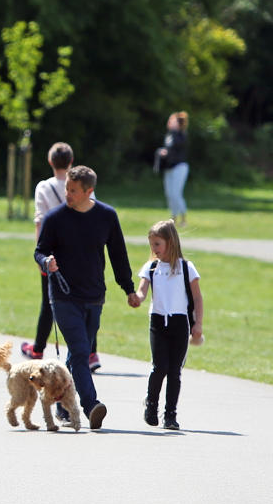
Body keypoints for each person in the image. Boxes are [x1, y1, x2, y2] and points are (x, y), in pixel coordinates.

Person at [34, 165, 140, 429]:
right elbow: (40, 250)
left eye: (73, 190)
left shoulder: (106, 216)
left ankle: (61, 404)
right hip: (63, 296)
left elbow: (118, 254)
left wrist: (128, 288)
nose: (67, 194)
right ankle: (91, 405)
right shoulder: (55, 218)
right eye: (66, 188)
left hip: (94, 296)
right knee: (82, 352)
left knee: (75, 356)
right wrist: (46, 261)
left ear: (88, 191)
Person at [21, 142, 101, 370]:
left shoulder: (44, 187)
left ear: (50, 161)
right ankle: (91, 353)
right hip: (82, 252)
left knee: (49, 301)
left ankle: (37, 348)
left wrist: (40, 252)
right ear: (71, 161)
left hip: (54, 252)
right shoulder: (84, 183)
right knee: (86, 301)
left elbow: (40, 221)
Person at [131, 220, 204, 430]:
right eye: (152, 244)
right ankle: (151, 405)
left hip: (180, 323)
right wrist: (136, 298)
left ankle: (170, 415)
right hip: (158, 321)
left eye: (157, 244)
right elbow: (142, 292)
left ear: (170, 243)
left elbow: (197, 298)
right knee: (159, 366)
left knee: (175, 370)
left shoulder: (186, 267)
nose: (154, 249)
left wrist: (197, 324)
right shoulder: (151, 267)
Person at [156, 111, 190, 225]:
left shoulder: (180, 134)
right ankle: (174, 218)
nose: (169, 122)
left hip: (179, 167)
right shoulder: (169, 135)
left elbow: (178, 145)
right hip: (169, 168)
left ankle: (183, 219)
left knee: (176, 193)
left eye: (172, 120)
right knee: (169, 194)